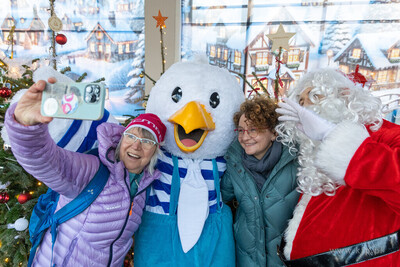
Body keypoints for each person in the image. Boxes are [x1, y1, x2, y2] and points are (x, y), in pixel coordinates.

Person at [4, 78, 166, 267]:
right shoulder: (92, 170)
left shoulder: (144, 188)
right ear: (121, 139)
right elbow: (44, 159)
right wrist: (26, 127)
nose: (136, 146)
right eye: (131, 136)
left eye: (147, 141)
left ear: (155, 151)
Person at [275, 68, 400, 266]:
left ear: (344, 96)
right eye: (300, 102)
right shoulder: (314, 147)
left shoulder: (387, 135)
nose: (305, 106)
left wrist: (334, 137)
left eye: (315, 96)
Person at [221, 95, 300, 267]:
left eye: (253, 129)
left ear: (273, 133)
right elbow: (221, 198)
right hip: (247, 258)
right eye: (241, 130)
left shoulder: (295, 162)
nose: (245, 137)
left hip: (285, 259)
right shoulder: (234, 163)